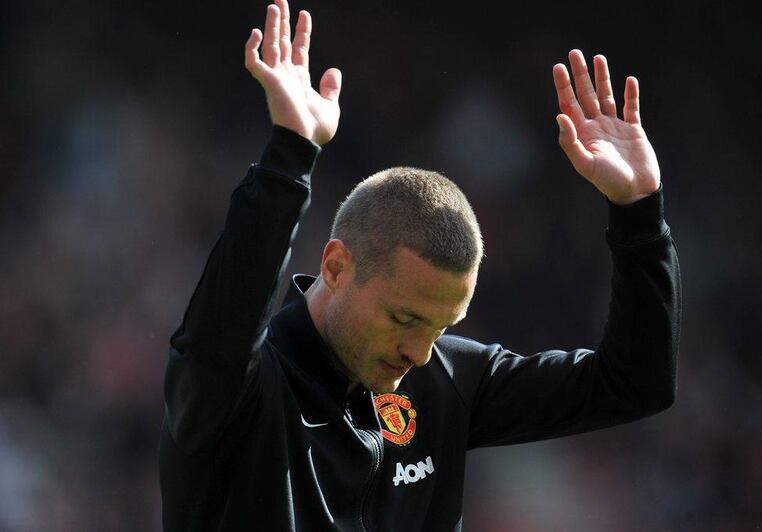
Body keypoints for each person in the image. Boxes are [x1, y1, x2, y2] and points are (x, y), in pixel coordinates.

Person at [158, 1, 681, 530]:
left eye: (441, 327)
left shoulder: (443, 380)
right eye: (405, 319)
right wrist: (289, 156)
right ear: (336, 267)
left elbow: (635, 383)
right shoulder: (234, 394)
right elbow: (218, 339)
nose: (420, 353)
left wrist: (639, 212)